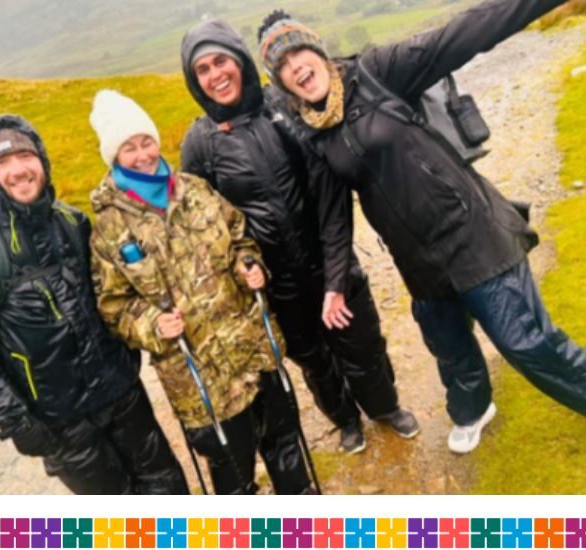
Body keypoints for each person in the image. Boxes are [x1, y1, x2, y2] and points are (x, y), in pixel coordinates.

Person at [258, 0, 586, 466]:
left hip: (470, 231)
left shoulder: (379, 72)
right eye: (281, 66)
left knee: (525, 340)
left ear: (316, 51)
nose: (295, 66)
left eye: (297, 52)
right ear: (281, 82)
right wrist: (335, 285)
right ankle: (474, 409)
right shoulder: (314, 132)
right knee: (448, 345)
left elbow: (465, 32)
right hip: (416, 259)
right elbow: (333, 216)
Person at [179, 18, 420, 455]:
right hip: (277, 285)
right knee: (315, 362)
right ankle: (346, 421)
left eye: (221, 61)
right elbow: (203, 225)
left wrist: (336, 278)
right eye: (203, 70)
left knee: (363, 344)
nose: (216, 76)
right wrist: (240, 264)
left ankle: (385, 407)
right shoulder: (200, 144)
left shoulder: (283, 106)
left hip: (332, 261)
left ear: (239, 60)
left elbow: (329, 194)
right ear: (194, 81)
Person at [0, 114, 189, 494]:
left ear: (43, 161)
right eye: (3, 163)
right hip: (61, 425)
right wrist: (16, 420)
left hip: (122, 396)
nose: (18, 171)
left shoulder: (74, 223)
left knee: (168, 489)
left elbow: (114, 296)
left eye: (26, 157)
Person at [88, 89, 314, 493]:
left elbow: (240, 236)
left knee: (284, 443)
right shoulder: (108, 228)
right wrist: (152, 324)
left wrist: (251, 266)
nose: (142, 154)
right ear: (113, 157)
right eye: (128, 148)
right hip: (198, 377)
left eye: (146, 142)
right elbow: (113, 306)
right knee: (232, 471)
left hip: (254, 346)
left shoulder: (195, 189)